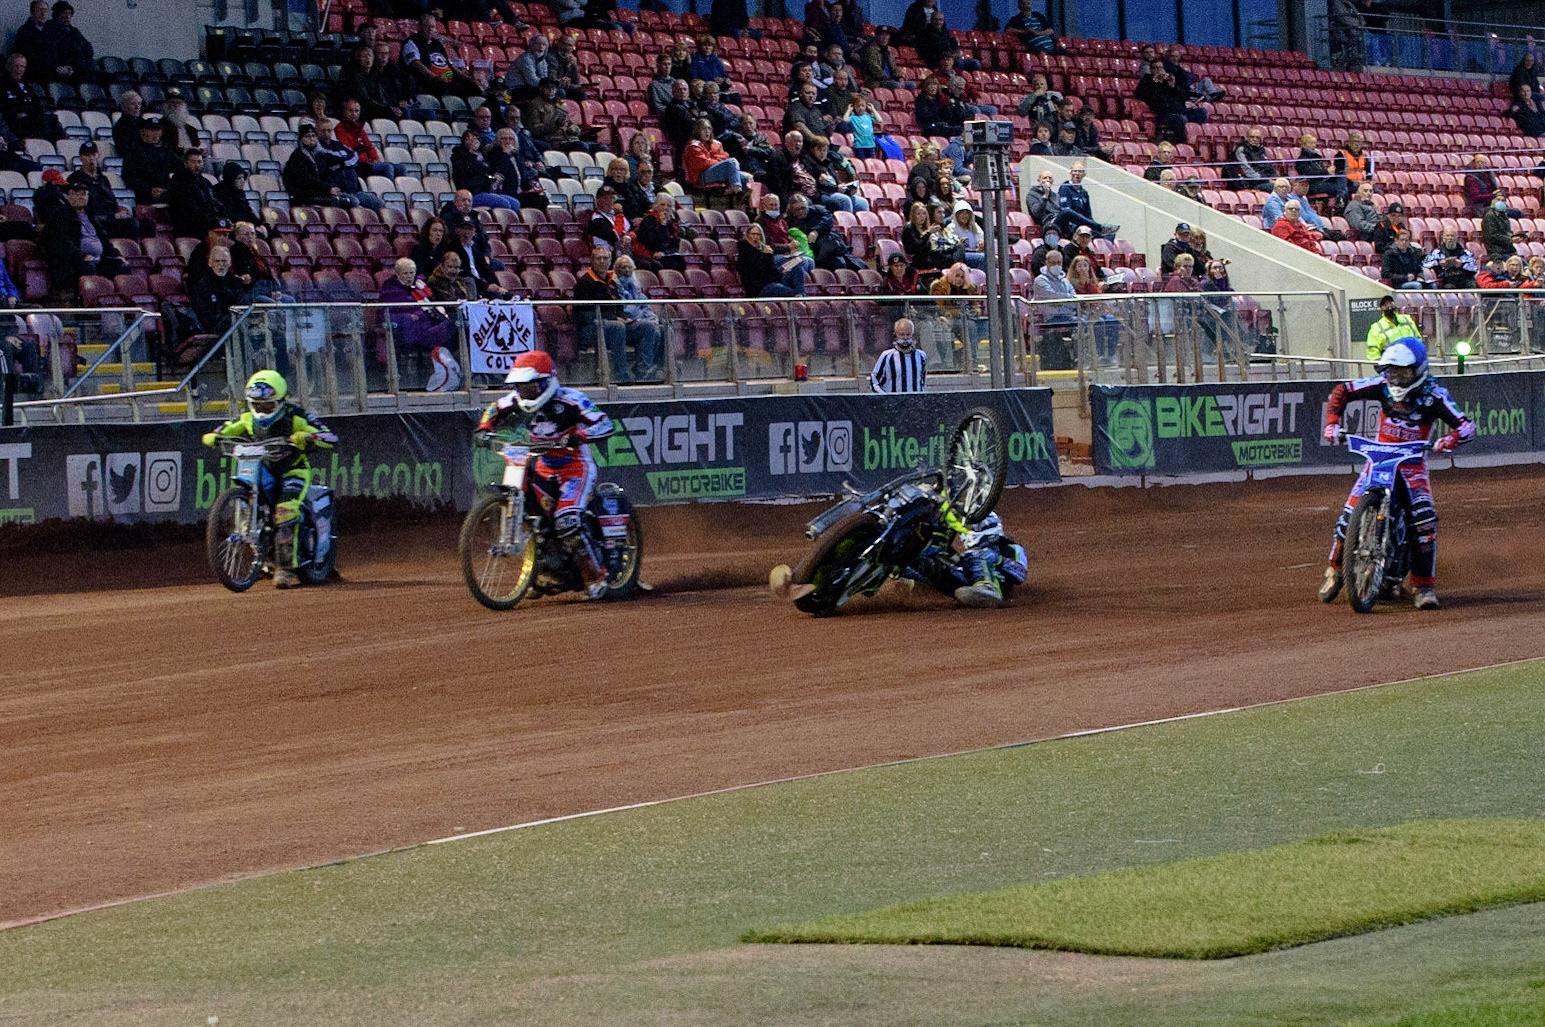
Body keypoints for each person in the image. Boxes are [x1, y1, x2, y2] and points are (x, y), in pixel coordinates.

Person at [1318, 339, 1474, 609]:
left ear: (1418, 370)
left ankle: (1423, 587)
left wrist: (1451, 439)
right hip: (1378, 459)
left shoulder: (1434, 396)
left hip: (1412, 466)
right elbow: (1342, 390)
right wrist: (1332, 423)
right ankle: (1335, 571)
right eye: (1391, 371)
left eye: (1403, 372)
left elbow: (1466, 425)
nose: (1397, 378)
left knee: (1424, 522)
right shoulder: (1381, 387)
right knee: (1347, 517)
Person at [474, 350, 616, 598]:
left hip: (575, 467)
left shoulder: (572, 400)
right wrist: (484, 428)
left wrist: (579, 436)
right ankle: (538, 572)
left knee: (567, 520)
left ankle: (597, 576)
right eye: (520, 386)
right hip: (544, 465)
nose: (524, 391)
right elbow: (494, 408)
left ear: (545, 382)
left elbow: (605, 424)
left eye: (530, 386)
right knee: (534, 514)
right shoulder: (516, 400)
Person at [201, 370, 337, 589]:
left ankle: (286, 569)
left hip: (293, 470)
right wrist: (215, 436)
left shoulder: (296, 416)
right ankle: (262, 558)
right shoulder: (246, 418)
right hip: (262, 469)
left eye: (267, 406)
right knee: (249, 512)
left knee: (285, 510)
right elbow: (224, 429)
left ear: (281, 402)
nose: (261, 412)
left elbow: (330, 437)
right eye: (257, 405)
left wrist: (308, 437)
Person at [572, 246, 661, 383]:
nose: (602, 261)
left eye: (605, 258)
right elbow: (582, 314)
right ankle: (622, 375)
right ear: (592, 261)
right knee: (617, 327)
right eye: (598, 258)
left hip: (614, 325)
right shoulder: (584, 283)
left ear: (609, 261)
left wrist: (625, 318)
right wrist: (613, 318)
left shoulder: (611, 282)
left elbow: (619, 307)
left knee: (647, 327)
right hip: (591, 328)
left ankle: (643, 372)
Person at [41, 173, 124, 300]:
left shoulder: (91, 215)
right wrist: (82, 256)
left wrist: (116, 254)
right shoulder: (60, 217)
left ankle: (124, 307)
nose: (81, 196)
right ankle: (92, 309)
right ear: (68, 196)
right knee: (87, 267)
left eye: (84, 193)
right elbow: (62, 243)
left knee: (120, 266)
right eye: (76, 193)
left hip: (97, 260)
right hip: (72, 263)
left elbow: (104, 239)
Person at [379, 257, 457, 371]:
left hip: (429, 326)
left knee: (461, 325)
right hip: (412, 331)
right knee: (455, 325)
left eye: (411, 273)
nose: (409, 276)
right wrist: (414, 317)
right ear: (397, 274)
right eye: (405, 273)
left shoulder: (420, 286)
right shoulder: (391, 291)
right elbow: (388, 315)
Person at [402, 13, 477, 98]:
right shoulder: (411, 42)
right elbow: (415, 64)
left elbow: (448, 65)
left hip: (447, 78)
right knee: (444, 87)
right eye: (427, 26)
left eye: (432, 27)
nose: (430, 29)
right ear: (419, 27)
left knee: (473, 86)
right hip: (429, 82)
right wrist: (435, 77)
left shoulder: (437, 44)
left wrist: (467, 77)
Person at [189, 245, 250, 338]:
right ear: (210, 263)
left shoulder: (236, 282)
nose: (221, 264)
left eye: (224, 261)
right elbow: (203, 315)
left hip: (239, 325)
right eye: (217, 261)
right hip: (216, 329)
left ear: (229, 263)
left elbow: (244, 304)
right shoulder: (202, 286)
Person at [451, 128, 520, 210]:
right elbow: (468, 171)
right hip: (473, 193)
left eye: (475, 138)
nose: (473, 141)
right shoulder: (459, 156)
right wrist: (471, 154)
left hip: (487, 191)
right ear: (464, 141)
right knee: (505, 204)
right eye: (468, 138)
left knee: (516, 204)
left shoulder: (484, 155)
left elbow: (491, 171)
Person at [738, 221, 810, 297]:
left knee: (798, 270)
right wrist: (767, 256)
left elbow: (772, 274)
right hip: (759, 288)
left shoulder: (764, 251)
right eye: (753, 234)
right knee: (777, 287)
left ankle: (800, 294)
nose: (755, 237)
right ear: (747, 235)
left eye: (758, 235)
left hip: (771, 283)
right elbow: (758, 271)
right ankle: (798, 295)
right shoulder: (744, 250)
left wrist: (781, 273)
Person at [682, 117, 750, 194]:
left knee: (747, 178)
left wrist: (713, 159)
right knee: (732, 162)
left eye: (709, 128)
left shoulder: (715, 144)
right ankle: (735, 188)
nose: (707, 131)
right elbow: (704, 164)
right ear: (697, 131)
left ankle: (743, 201)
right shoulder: (693, 146)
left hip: (714, 172)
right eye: (703, 129)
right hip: (701, 177)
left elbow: (725, 155)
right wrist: (718, 160)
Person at [121, 115, 178, 205]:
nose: (155, 133)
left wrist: (167, 188)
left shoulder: (166, 150)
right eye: (151, 130)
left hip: (165, 192)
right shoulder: (134, 151)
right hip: (143, 194)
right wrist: (149, 189)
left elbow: (179, 170)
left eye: (157, 130)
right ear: (142, 131)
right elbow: (129, 177)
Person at [168, 148, 223, 239]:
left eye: (199, 162)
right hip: (188, 227)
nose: (197, 165)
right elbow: (189, 210)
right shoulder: (178, 182)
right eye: (193, 162)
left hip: (206, 223)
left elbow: (214, 203)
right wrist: (211, 220)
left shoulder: (205, 182)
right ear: (185, 164)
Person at [1056, 162, 1116, 239]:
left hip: (1085, 225)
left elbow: (1088, 215)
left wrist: (1091, 225)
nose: (1077, 174)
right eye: (1075, 171)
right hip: (1071, 226)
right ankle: (1099, 227)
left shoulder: (1084, 193)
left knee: (1110, 235)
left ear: (1084, 174)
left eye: (1080, 171)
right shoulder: (1065, 188)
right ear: (1070, 172)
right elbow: (1066, 211)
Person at [39, 0, 91, 84]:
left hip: (78, 67)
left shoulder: (74, 31)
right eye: (64, 13)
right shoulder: (49, 30)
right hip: (62, 69)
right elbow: (55, 53)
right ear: (56, 15)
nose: (68, 17)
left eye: (69, 14)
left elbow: (88, 48)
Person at [869, 317, 926, 393]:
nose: (905, 338)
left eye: (908, 334)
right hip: (893, 403)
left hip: (915, 402)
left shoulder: (921, 356)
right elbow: (874, 381)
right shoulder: (887, 356)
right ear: (895, 335)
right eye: (902, 334)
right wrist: (885, 398)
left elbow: (922, 381)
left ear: (912, 335)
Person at [1364, 292, 1422, 361]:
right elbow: (1373, 353)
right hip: (1392, 365)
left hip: (1411, 361)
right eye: (1385, 305)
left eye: (1391, 303)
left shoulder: (1407, 319)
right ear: (1381, 309)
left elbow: (1417, 338)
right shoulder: (1377, 328)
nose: (1389, 306)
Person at [213, 163, 263, 236]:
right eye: (239, 178)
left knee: (271, 232)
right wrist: (251, 227)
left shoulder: (239, 192)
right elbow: (226, 215)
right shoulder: (218, 192)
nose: (242, 181)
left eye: (243, 178)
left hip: (244, 225)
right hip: (230, 228)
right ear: (231, 179)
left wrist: (260, 225)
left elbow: (247, 211)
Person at [1482, 190, 1526, 260]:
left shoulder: (1504, 215)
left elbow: (1506, 233)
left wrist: (1515, 237)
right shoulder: (1490, 216)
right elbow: (1492, 236)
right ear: (1492, 201)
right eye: (1498, 199)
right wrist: (1510, 239)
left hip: (1507, 249)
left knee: (1524, 265)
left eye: (1503, 200)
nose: (1500, 202)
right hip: (1497, 251)